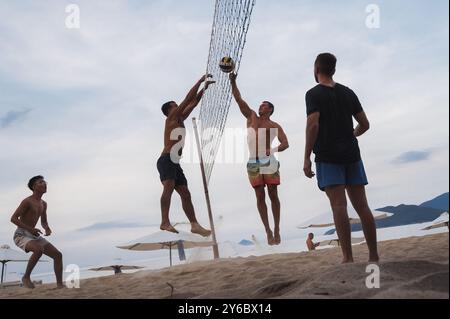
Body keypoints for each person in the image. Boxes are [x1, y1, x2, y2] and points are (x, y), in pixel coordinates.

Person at [303, 53, 379, 263]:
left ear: (316, 69)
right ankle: (373, 255)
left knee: (339, 206)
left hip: (328, 156)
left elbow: (313, 125)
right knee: (362, 207)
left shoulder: (313, 94)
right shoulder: (348, 92)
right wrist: (350, 136)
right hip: (352, 155)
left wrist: (307, 157)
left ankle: (348, 257)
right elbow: (365, 124)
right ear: (333, 70)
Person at [230, 73, 289, 245]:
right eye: (260, 105)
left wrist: (274, 149)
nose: (260, 106)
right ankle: (268, 231)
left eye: (264, 105)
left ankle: (277, 228)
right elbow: (239, 100)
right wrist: (233, 82)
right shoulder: (251, 117)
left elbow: (286, 143)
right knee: (259, 195)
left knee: (273, 193)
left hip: (268, 159)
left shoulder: (274, 125)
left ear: (270, 109)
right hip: (253, 160)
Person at [158, 74, 215, 236]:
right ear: (170, 110)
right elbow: (188, 98)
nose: (179, 106)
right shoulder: (171, 117)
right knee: (168, 187)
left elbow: (193, 102)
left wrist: (204, 89)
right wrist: (199, 81)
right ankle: (164, 222)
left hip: (174, 161)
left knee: (185, 193)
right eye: (175, 105)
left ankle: (194, 224)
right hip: (166, 159)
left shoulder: (180, 118)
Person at [10, 176, 64, 289]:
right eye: (41, 182)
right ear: (34, 186)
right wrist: (30, 229)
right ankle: (26, 277)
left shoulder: (44, 204)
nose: (44, 184)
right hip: (21, 235)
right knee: (38, 249)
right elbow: (14, 218)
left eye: (45, 182)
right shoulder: (27, 201)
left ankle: (59, 285)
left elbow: (44, 221)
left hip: (33, 235)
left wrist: (47, 228)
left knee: (58, 255)